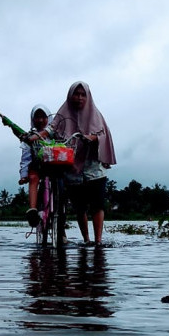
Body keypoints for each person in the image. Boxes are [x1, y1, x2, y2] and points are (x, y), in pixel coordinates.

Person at [54, 81, 116, 246]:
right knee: (80, 207)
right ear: (70, 95)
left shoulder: (96, 114)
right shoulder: (63, 114)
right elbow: (52, 130)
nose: (79, 98)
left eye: (83, 95)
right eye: (76, 94)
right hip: (73, 170)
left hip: (94, 168)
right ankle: (86, 240)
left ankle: (98, 240)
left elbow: (104, 134)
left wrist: (93, 138)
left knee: (97, 205)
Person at [18, 104, 52, 227]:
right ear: (33, 119)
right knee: (33, 178)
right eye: (37, 117)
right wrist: (23, 175)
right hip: (37, 167)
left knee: (61, 184)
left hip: (54, 167)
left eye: (43, 117)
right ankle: (33, 210)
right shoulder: (29, 136)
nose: (40, 120)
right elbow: (25, 158)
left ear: (49, 118)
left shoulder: (55, 134)